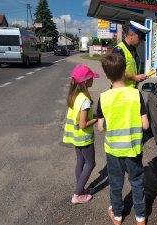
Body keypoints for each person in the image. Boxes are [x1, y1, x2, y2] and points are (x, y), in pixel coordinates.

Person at [97, 53, 149, 225]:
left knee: (116, 183)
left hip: (113, 150)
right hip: (133, 149)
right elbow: (146, 125)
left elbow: (100, 127)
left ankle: (117, 215)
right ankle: (141, 216)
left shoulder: (103, 98)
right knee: (137, 182)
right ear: (125, 71)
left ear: (106, 74)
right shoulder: (135, 95)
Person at [63, 65, 99, 204]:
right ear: (85, 82)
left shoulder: (74, 96)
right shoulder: (85, 100)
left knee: (81, 162)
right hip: (84, 137)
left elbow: (78, 120)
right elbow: (84, 124)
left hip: (76, 136)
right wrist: (96, 119)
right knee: (91, 163)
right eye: (91, 78)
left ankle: (81, 188)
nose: (93, 80)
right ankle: (77, 194)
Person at [113, 20, 150, 88]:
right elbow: (116, 73)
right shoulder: (119, 50)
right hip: (121, 92)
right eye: (140, 38)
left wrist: (138, 77)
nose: (141, 42)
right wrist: (134, 77)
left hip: (131, 91)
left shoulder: (133, 49)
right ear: (131, 35)